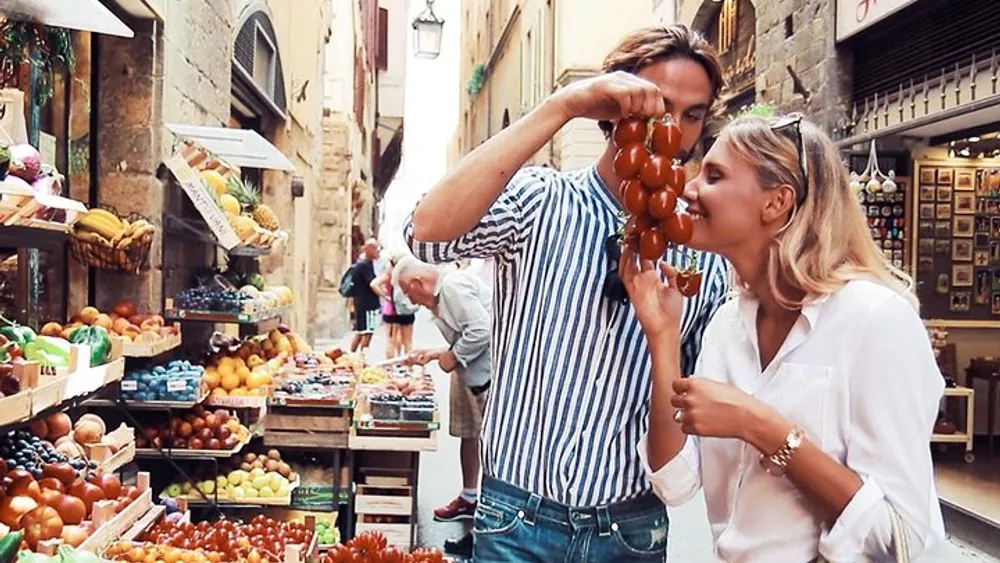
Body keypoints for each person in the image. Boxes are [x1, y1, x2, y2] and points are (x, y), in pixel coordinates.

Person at [405, 25, 728, 561]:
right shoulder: (541, 202)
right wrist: (562, 106)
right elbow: (427, 233)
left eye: (691, 114)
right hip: (517, 518)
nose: (674, 128)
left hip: (629, 526)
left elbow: (684, 412)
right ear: (613, 107)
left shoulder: (699, 253)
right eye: (657, 105)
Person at [620, 114, 947, 562]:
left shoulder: (875, 319)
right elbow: (674, 482)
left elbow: (899, 538)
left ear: (776, 202)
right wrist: (661, 337)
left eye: (713, 175)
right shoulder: (727, 325)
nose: (688, 188)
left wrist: (761, 426)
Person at [393, 256, 491, 557]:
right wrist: (436, 354)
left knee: (492, 453)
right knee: (472, 437)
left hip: (487, 376)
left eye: (410, 295)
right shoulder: (444, 291)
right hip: (474, 375)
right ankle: (471, 501)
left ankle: (484, 535)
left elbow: (481, 330)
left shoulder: (452, 287)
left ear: (417, 283)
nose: (414, 302)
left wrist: (450, 357)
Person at [350, 239, 381, 353]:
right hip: (367, 304)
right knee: (367, 332)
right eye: (376, 249)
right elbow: (372, 284)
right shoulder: (365, 265)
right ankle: (361, 357)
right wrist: (385, 296)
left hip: (361, 303)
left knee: (360, 331)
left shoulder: (362, 264)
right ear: (369, 249)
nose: (378, 252)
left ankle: (352, 355)